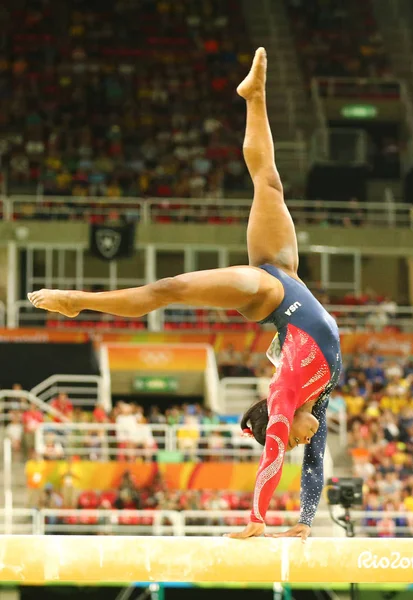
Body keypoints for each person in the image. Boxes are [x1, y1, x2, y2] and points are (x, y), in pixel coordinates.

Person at [28, 48, 342, 541]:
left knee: (170, 288)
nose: (309, 440)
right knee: (270, 183)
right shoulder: (317, 401)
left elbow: (275, 455)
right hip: (287, 278)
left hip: (271, 297)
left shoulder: (286, 399)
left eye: (296, 438)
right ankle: (253, 96)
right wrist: (305, 522)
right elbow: (315, 465)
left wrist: (259, 521)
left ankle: (78, 300)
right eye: (306, 438)